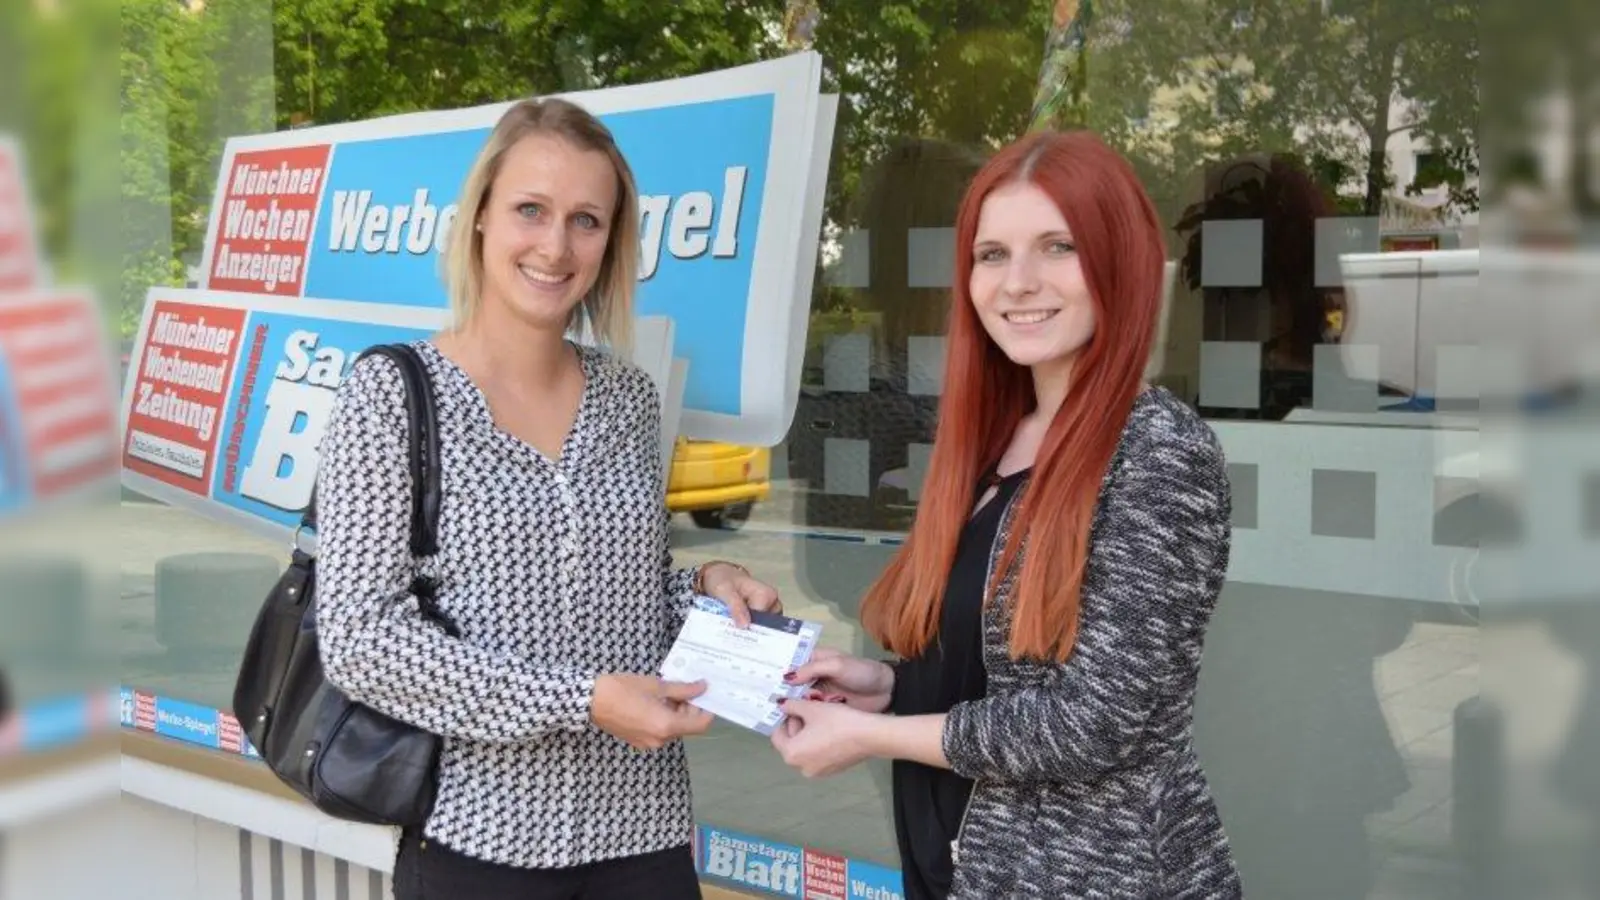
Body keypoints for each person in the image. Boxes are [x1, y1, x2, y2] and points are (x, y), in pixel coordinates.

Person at [314, 97, 780, 900]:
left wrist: (710, 589)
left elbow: (628, 604)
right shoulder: (391, 394)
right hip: (478, 841)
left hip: (642, 835)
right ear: (481, 217)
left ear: (610, 241)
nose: (556, 246)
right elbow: (360, 639)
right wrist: (582, 699)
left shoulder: (629, 400)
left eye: (585, 220)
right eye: (530, 209)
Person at [770, 130, 1244, 899]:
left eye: (1058, 247)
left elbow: (1094, 722)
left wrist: (871, 734)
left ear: (1119, 259)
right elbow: (1002, 667)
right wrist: (886, 686)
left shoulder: (1160, 451)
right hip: (962, 863)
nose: (1018, 282)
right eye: (992, 255)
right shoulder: (998, 436)